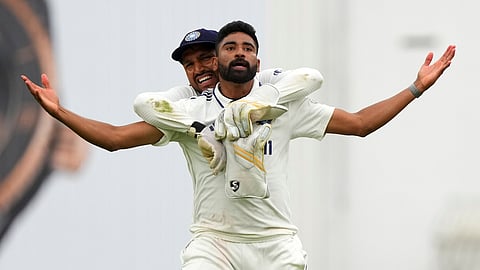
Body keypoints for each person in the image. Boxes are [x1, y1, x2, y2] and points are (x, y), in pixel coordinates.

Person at [133, 20, 456, 269]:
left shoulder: (280, 99)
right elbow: (119, 135)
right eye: (190, 63)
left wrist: (416, 87)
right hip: (214, 242)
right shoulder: (187, 108)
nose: (200, 68)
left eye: (206, 57)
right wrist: (201, 129)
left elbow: (359, 123)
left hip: (275, 243)